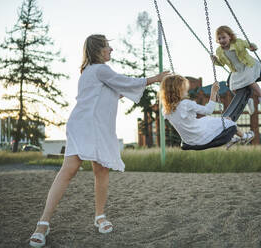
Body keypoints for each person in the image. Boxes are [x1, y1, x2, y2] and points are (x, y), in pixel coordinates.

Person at [29, 34, 170, 247]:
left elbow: (115, 92)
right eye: (108, 47)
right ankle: (43, 223)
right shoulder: (99, 70)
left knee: (101, 171)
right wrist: (155, 78)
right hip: (85, 127)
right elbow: (126, 82)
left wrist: (138, 86)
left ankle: (100, 216)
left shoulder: (93, 73)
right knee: (68, 171)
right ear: (98, 50)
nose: (111, 51)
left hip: (99, 129)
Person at [160, 74, 254, 149]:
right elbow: (208, 110)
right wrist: (213, 92)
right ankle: (245, 137)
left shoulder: (165, 110)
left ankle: (232, 139)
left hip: (189, 140)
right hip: (201, 136)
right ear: (178, 90)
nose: (186, 90)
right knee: (230, 123)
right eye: (184, 87)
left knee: (223, 120)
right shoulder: (186, 104)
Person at [211, 25, 261, 114]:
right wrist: (215, 61)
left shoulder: (238, 42)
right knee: (232, 87)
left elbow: (248, 45)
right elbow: (222, 63)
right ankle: (249, 101)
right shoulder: (219, 51)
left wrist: (253, 47)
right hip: (236, 70)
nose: (222, 40)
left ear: (230, 36)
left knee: (250, 81)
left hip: (247, 65)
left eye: (224, 37)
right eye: (219, 38)